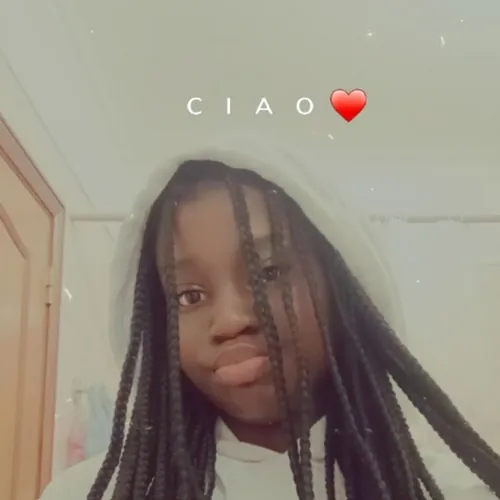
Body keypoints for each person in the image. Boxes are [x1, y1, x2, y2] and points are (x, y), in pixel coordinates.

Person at [40, 135, 500, 500]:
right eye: (189, 295)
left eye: (269, 274)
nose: (230, 320)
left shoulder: (452, 492)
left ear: (343, 288)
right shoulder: (86, 494)